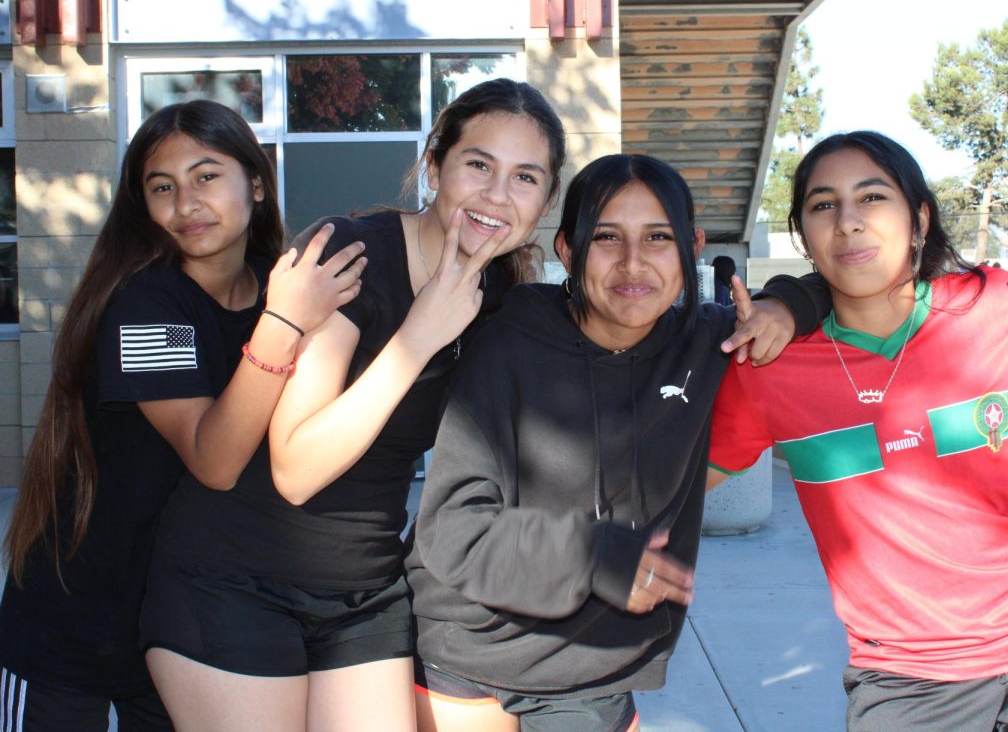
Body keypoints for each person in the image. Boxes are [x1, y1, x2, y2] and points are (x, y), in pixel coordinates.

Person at [708, 131, 1008, 732]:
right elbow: (678, 484)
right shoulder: (770, 365)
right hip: (910, 684)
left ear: (918, 220)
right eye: (823, 204)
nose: (849, 222)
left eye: (872, 198)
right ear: (805, 235)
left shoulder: (1002, 308)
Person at [138, 78, 566, 732]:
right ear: (433, 167)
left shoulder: (501, 300)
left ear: (546, 200)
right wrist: (419, 335)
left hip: (365, 594)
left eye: (525, 177)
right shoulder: (350, 254)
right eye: (478, 165)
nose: (497, 196)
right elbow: (297, 466)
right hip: (234, 578)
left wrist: (782, 303)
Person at [405, 153, 831, 732]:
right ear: (568, 251)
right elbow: (451, 526)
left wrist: (789, 303)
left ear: (692, 246)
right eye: (607, 237)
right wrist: (591, 555)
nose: (634, 263)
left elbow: (835, 283)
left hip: (593, 666)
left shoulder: (711, 342)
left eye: (658, 237)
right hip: (468, 647)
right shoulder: (507, 340)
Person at [0, 100, 365, 731]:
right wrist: (284, 324)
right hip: (73, 626)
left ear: (255, 181)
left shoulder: (268, 287)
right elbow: (214, 459)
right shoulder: (148, 305)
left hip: (183, 626)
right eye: (161, 187)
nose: (185, 204)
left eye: (206, 176)